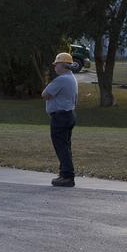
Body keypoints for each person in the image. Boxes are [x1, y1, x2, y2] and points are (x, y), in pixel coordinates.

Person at [43, 52, 79, 187]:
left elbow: (45, 94)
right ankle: (64, 173)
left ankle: (68, 176)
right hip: (68, 114)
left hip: (60, 116)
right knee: (65, 146)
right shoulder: (72, 78)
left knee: (61, 147)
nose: (55, 67)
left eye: (57, 64)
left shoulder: (62, 79)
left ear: (63, 65)